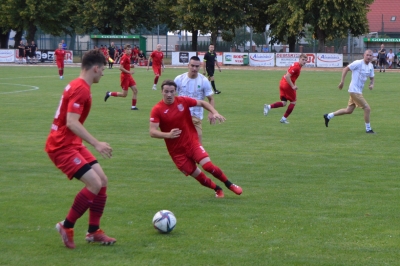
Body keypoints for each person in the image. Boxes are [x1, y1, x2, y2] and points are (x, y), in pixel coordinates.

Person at [45, 49, 116, 249]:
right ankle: (66, 226)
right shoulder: (81, 88)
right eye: (102, 69)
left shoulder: (79, 85)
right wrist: (96, 143)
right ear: (95, 68)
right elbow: (71, 122)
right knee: (93, 183)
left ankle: (93, 231)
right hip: (61, 146)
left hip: (72, 143)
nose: (103, 73)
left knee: (102, 181)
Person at [149, 79, 243, 198]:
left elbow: (203, 103)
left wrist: (214, 112)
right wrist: (168, 135)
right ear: (161, 92)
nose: (169, 94)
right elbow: (152, 132)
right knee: (197, 175)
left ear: (175, 91)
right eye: (166, 91)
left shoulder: (182, 101)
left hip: (191, 142)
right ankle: (217, 189)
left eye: (171, 91)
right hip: (176, 152)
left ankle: (229, 184)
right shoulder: (157, 109)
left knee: (208, 166)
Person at [323, 49, 375, 134]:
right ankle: (368, 129)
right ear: (364, 55)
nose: (369, 57)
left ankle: (328, 116)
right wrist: (342, 82)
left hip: (358, 91)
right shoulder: (358, 63)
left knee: (349, 110)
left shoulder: (370, 66)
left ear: (372, 57)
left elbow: (372, 77)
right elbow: (345, 69)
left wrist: (372, 84)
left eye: (370, 55)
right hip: (354, 91)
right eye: (367, 55)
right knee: (367, 108)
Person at [175, 56, 214, 144]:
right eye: (192, 65)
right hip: (180, 118)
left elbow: (211, 99)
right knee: (180, 146)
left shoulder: (204, 81)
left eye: (197, 66)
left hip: (196, 118)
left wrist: (211, 113)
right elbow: (171, 98)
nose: (194, 68)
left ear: (200, 67)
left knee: (198, 147)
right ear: (188, 65)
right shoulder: (179, 79)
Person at [263, 53, 308, 124]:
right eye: (303, 59)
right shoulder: (297, 67)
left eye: (305, 60)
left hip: (282, 83)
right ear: (299, 59)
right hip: (287, 85)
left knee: (284, 103)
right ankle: (283, 119)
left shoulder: (297, 65)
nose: (304, 61)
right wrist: (293, 86)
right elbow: (287, 76)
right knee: (293, 102)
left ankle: (268, 107)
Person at [104, 44, 139, 110]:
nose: (129, 51)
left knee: (135, 90)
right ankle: (109, 93)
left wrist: (131, 66)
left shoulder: (129, 56)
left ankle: (133, 107)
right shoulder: (124, 57)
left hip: (129, 76)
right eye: (127, 49)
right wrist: (129, 72)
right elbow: (120, 68)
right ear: (125, 50)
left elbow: (126, 65)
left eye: (130, 49)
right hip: (125, 77)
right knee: (124, 94)